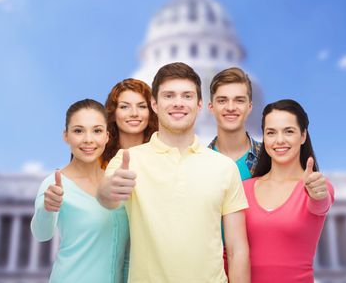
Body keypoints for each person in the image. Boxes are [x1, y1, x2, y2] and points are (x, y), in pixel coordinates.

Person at [98, 62, 250, 283]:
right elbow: (105, 197)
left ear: (199, 105)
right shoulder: (128, 160)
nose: (178, 103)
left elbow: (237, 248)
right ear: (155, 105)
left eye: (187, 96)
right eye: (169, 96)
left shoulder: (225, 167)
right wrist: (109, 189)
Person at [31, 99, 129, 283]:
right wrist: (47, 208)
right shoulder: (54, 183)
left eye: (97, 131)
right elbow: (41, 234)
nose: (88, 140)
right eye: (78, 131)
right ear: (66, 136)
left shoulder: (115, 181)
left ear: (107, 136)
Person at [243, 99, 334, 283]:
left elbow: (321, 204)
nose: (279, 140)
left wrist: (318, 195)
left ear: (303, 136)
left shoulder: (316, 185)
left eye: (289, 131)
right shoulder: (244, 188)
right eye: (271, 133)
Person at [208, 67, 261, 179]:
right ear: (211, 107)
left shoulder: (269, 157)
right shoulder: (199, 161)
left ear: (249, 107)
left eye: (239, 100)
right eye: (222, 101)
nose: (231, 108)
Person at [102, 78, 158, 168]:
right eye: (124, 107)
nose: (134, 113)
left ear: (151, 111)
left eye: (142, 106)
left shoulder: (163, 154)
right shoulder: (99, 157)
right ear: (113, 112)